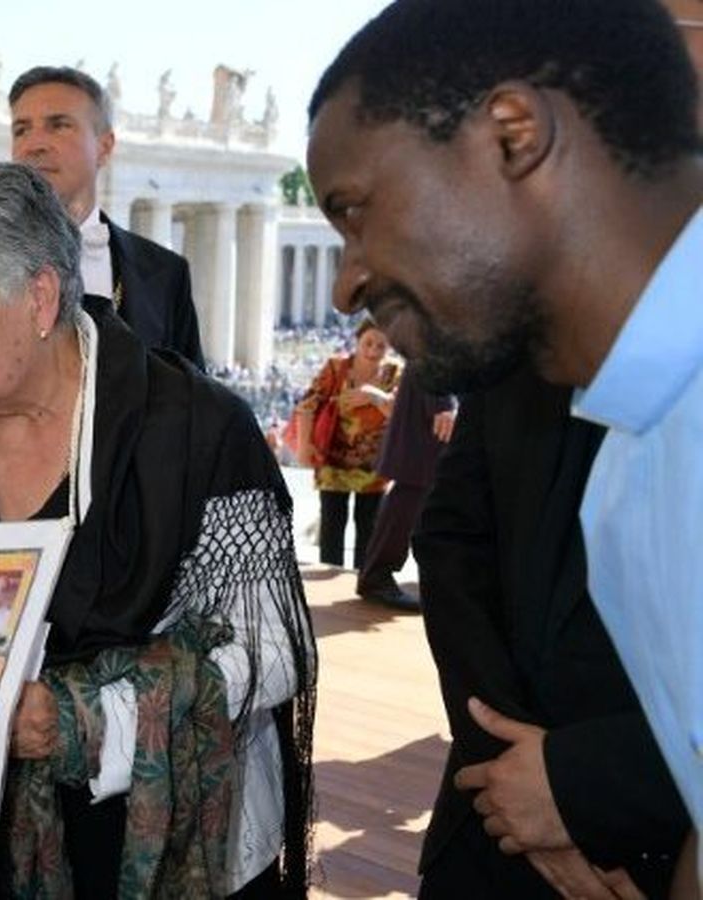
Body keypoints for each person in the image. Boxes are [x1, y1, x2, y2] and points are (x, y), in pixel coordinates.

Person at [0, 159, 316, 898]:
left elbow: (270, 646)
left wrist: (81, 717)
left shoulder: (195, 429)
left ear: (37, 298)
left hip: (176, 857)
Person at [308, 0, 703, 884]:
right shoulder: (632, 444)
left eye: (356, 210)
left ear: (513, 135)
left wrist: (585, 789)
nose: (345, 285)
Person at [415, 367, 689, 897]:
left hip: (661, 849)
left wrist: (575, 781)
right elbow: (451, 544)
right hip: (487, 822)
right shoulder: (519, 347)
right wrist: (510, 771)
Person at [9, 65, 204, 368]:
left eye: (58, 125)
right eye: (21, 129)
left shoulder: (166, 275)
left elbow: (195, 405)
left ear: (104, 147)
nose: (34, 144)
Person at [294, 319, 399, 569]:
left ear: (390, 347)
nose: (373, 351)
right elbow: (308, 405)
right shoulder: (336, 367)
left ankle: (362, 583)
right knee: (332, 523)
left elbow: (403, 413)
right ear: (357, 341)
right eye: (368, 343)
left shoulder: (395, 373)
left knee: (368, 526)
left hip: (374, 462)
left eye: (381, 346)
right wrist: (303, 445)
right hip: (332, 455)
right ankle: (329, 584)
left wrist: (375, 397)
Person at [355, 381, 455, 610]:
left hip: (434, 405)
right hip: (431, 412)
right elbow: (433, 347)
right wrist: (443, 399)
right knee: (411, 494)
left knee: (418, 496)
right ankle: (376, 577)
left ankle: (378, 576)